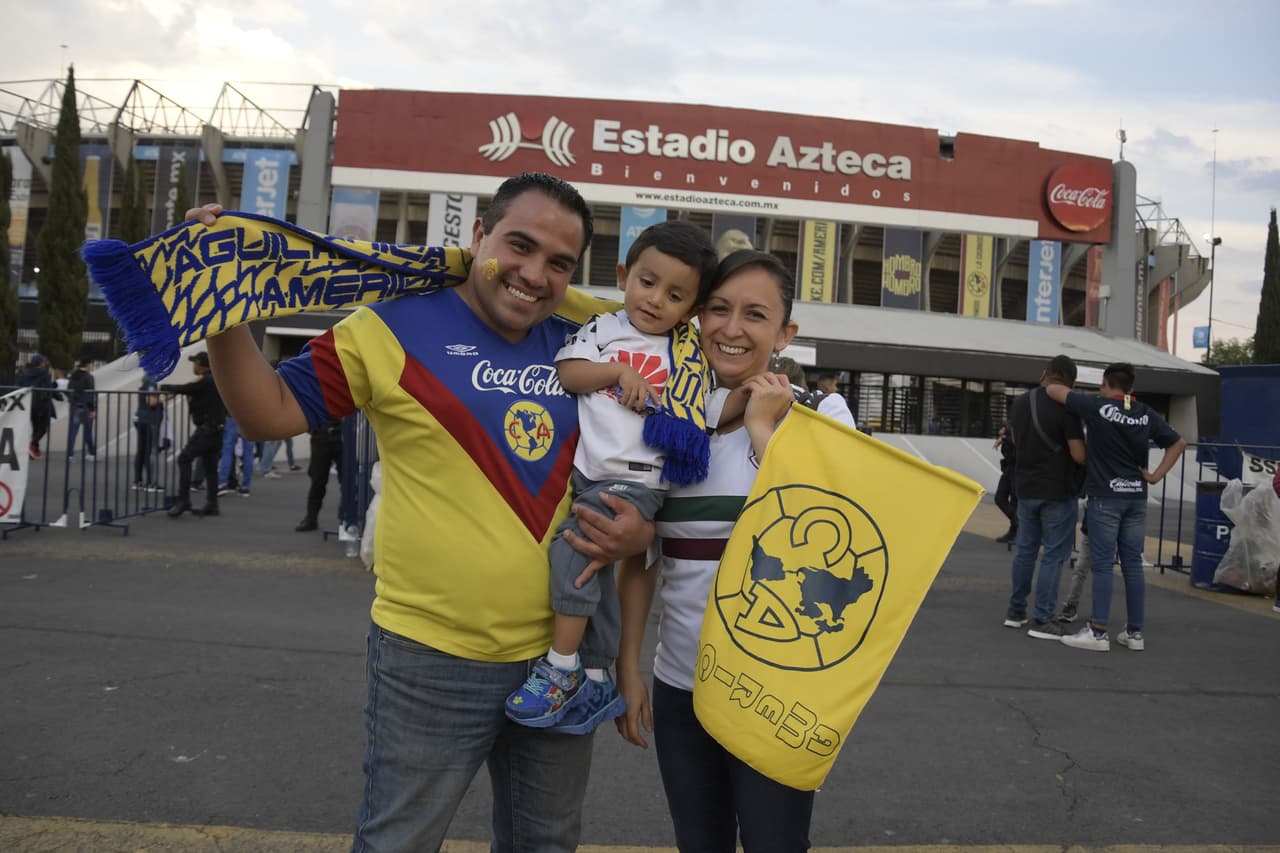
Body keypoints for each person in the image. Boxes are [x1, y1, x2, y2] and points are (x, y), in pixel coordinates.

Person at [189, 171, 653, 852]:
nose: (533, 274)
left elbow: (655, 460)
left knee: (546, 842)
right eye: (518, 246)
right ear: (476, 236)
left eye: (559, 263)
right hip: (430, 659)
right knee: (399, 842)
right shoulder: (388, 326)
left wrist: (639, 530)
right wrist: (220, 306)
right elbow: (266, 414)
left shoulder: (596, 339)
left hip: (561, 660)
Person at [615, 249, 816, 852]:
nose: (731, 329)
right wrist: (629, 668)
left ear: (785, 333)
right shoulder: (666, 420)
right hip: (681, 685)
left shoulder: (821, 416)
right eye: (718, 309)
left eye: (755, 314)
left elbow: (821, 541)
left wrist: (761, 432)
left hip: (779, 687)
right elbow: (641, 561)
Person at [504, 220, 718, 733]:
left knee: (574, 550)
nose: (655, 300)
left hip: (638, 482)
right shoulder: (602, 329)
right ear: (624, 274)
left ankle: (560, 669)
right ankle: (597, 675)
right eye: (647, 282)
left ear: (690, 310)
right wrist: (618, 372)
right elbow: (570, 374)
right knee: (596, 569)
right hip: (589, 475)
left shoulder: (688, 356)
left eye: (674, 295)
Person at [1047, 362, 1186, 652]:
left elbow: (1054, 390)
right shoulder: (1146, 413)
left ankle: (1098, 633)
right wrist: (1156, 475)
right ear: (1131, 388)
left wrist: (1065, 386)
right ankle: (1134, 633)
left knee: (1102, 565)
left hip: (1105, 497)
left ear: (1105, 384)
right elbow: (1178, 443)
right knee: (1133, 565)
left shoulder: (1096, 406)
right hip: (1136, 496)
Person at [1002, 354, 1086, 640]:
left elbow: (1015, 441)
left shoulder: (1020, 403)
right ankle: (1043, 618)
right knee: (1053, 554)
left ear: (1046, 374)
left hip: (1025, 487)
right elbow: (1078, 453)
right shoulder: (1067, 407)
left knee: (1025, 550)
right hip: (1058, 489)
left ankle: (1016, 611)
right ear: (1069, 380)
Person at [161, 351, 227, 518]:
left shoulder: (205, 380)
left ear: (200, 365)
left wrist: (163, 387)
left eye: (194, 363)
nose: (193, 366)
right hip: (217, 429)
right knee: (211, 467)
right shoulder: (217, 379)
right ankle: (212, 504)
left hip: (207, 429)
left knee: (184, 458)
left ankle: (184, 500)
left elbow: (187, 388)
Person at [294, 419, 343, 532]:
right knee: (317, 480)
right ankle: (311, 518)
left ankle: (345, 519)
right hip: (321, 435)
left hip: (342, 435)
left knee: (346, 481)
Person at [16, 354, 59, 459]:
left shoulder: (24, 373)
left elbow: (19, 386)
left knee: (36, 427)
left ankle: (34, 450)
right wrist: (57, 392)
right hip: (42, 404)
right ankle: (32, 445)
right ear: (41, 363)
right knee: (43, 428)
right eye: (44, 361)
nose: (45, 363)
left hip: (29, 404)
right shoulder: (45, 373)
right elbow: (48, 388)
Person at [133, 377, 168, 490]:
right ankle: (151, 482)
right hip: (150, 421)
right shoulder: (151, 382)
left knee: (141, 451)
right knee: (150, 451)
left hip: (141, 418)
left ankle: (138, 481)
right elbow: (152, 401)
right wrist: (165, 398)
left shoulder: (145, 380)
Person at [65, 357, 98, 458]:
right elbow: (90, 394)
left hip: (75, 406)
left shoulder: (73, 375)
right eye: (92, 364)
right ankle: (91, 453)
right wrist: (92, 409)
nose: (92, 366)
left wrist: (72, 400)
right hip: (85, 406)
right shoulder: (89, 377)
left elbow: (68, 391)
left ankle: (70, 454)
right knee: (87, 431)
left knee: (73, 431)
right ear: (87, 365)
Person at [992, 424, 1018, 543]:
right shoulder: (1008, 432)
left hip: (1018, 469)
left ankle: (1015, 530)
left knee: (1015, 500)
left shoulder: (1015, 429)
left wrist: (1003, 438)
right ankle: (1019, 524)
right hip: (1009, 469)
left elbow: (1018, 442)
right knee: (999, 498)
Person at [217, 415, 254, 497]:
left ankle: (222, 483)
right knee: (248, 454)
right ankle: (245, 487)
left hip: (232, 417)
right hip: (250, 419)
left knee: (227, 452)